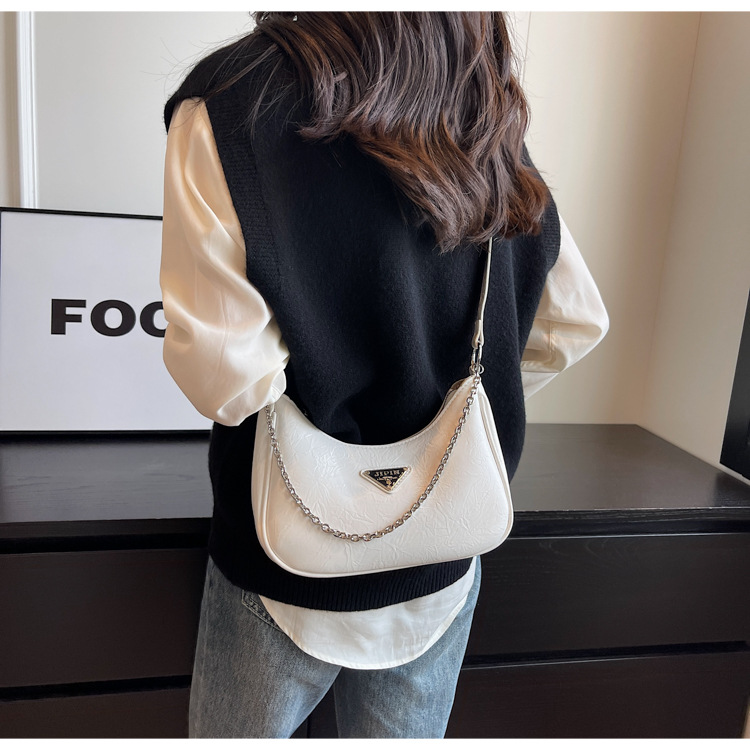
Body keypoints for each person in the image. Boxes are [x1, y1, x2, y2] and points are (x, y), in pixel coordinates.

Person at [159, 11, 609, 739]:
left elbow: (227, 382)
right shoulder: (479, 103)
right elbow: (574, 323)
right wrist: (453, 407)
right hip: (441, 558)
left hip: (282, 564)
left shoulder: (233, 100)